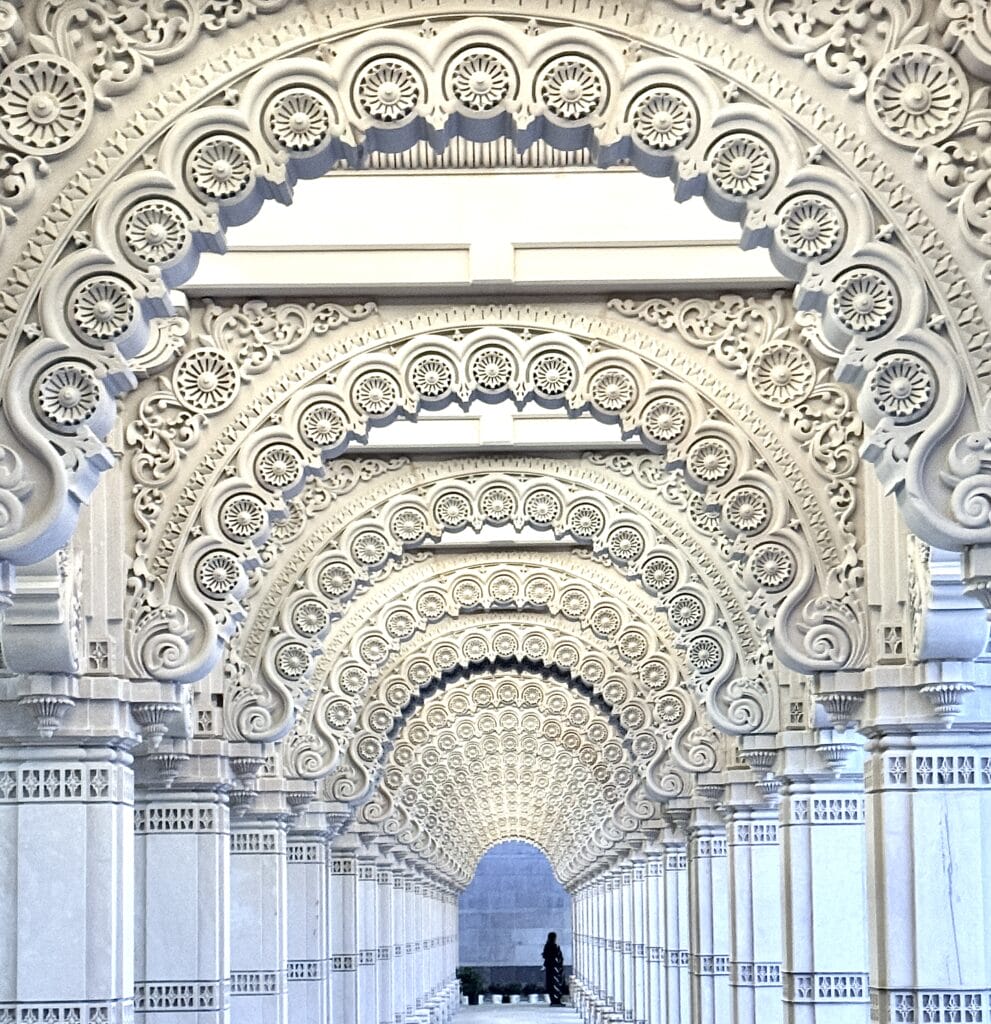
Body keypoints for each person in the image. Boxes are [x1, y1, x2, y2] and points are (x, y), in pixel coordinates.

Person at [542, 931, 566, 1005]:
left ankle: (554, 1000)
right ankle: (556, 1000)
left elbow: (546, 957)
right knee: (556, 984)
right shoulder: (554, 946)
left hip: (550, 969)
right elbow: (558, 957)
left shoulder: (547, 946)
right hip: (555, 969)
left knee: (551, 984)